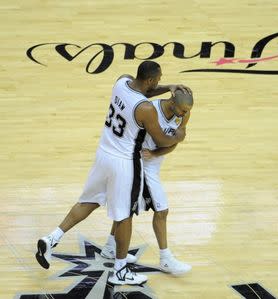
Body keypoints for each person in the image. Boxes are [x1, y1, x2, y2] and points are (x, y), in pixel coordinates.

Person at [35, 61, 189, 286]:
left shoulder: (121, 81)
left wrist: (169, 87)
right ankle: (120, 270)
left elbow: (144, 89)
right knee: (124, 215)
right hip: (124, 162)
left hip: (104, 153)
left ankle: (51, 239)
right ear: (149, 80)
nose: (158, 83)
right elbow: (161, 139)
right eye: (157, 80)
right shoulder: (145, 108)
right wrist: (180, 133)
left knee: (88, 201)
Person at [100, 90, 193, 276]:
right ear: (172, 101)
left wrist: (158, 153)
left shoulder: (184, 113)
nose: (184, 114)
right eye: (182, 110)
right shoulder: (151, 111)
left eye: (187, 111)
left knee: (126, 209)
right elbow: (171, 138)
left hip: (154, 162)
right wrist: (157, 151)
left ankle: (111, 246)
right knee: (161, 210)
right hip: (141, 163)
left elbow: (178, 139)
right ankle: (165, 259)